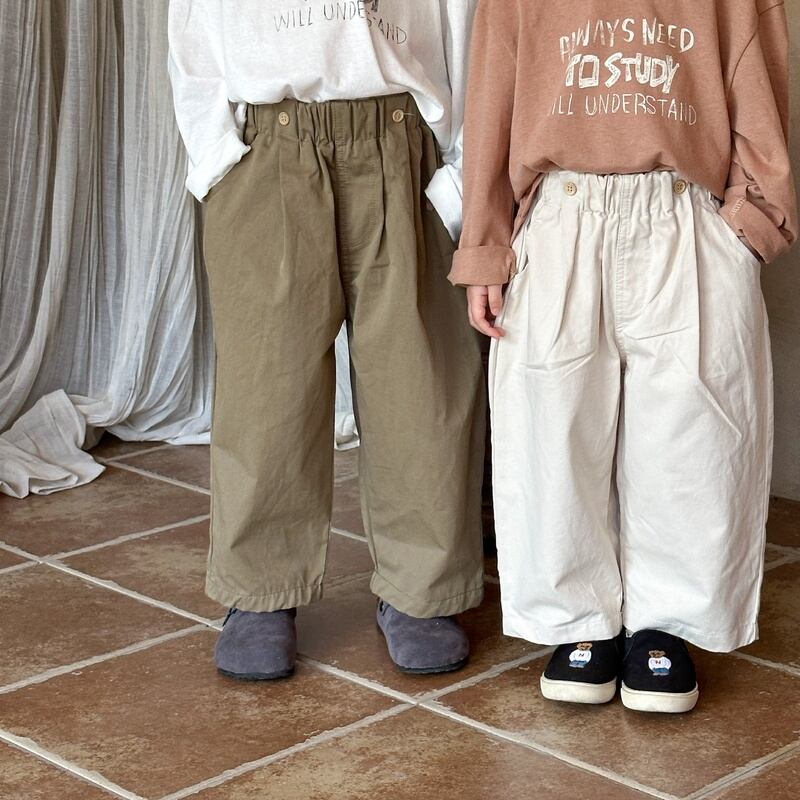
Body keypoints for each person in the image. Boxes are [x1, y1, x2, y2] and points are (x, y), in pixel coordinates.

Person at [454, 0, 797, 712]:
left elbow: (759, 84)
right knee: (552, 427)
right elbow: (493, 98)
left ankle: (666, 625)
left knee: (691, 430)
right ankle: (578, 620)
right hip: (560, 213)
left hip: (683, 211)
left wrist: (753, 221)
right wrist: (485, 244)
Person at [167, 0, 485, 680]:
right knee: (266, 385)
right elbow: (191, 32)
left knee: (420, 381)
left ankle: (422, 590)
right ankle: (259, 591)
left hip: (402, 142)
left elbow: (465, 24)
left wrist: (459, 178)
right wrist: (217, 160)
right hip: (267, 151)